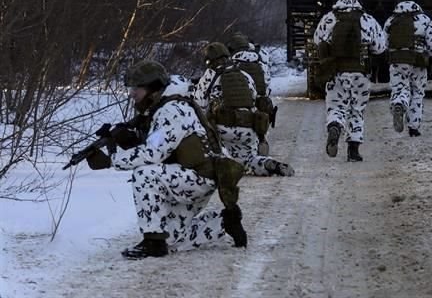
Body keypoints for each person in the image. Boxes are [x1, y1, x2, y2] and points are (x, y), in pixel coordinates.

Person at [84, 60, 247, 259]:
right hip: (197, 176)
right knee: (172, 238)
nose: (132, 94)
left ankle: (153, 242)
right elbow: (159, 143)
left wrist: (111, 160)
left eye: (137, 89)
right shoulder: (168, 104)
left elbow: (153, 154)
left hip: (197, 177)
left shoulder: (172, 110)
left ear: (153, 88)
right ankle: (223, 223)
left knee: (145, 175)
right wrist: (125, 140)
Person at [312, 0, 387, 162]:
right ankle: (353, 150)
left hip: (336, 72)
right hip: (360, 73)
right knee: (357, 110)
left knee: (336, 107)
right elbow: (380, 46)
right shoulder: (367, 19)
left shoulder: (329, 18)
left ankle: (335, 127)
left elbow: (317, 40)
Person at [196, 42, 294, 177]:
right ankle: (267, 164)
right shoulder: (244, 75)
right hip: (248, 129)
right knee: (248, 160)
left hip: (221, 132)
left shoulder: (210, 75)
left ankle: (223, 164)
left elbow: (199, 104)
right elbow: (254, 99)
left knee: (214, 158)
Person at [383, 0, 432, 137]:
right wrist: (429, 54)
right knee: (417, 93)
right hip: (418, 61)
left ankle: (399, 104)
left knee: (399, 88)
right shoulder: (424, 19)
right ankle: (414, 127)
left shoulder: (391, 20)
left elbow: (383, 43)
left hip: (397, 60)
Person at [227, 32, 276, 155]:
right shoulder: (259, 62)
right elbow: (267, 84)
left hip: (241, 105)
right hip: (261, 105)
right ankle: (261, 138)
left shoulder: (231, 65)